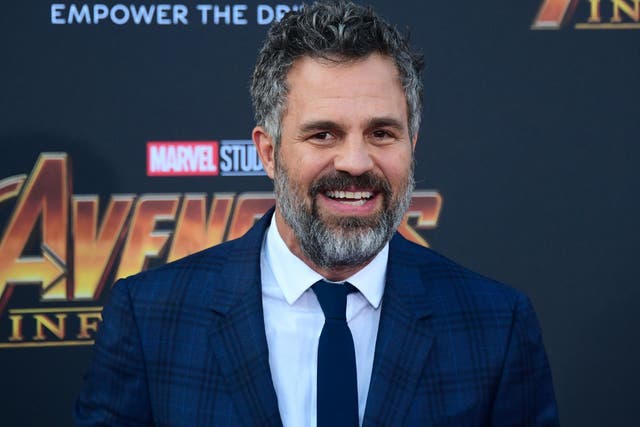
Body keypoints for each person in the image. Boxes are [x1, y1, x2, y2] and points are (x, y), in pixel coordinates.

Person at [75, 1, 559, 426]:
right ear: (268, 152)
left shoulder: (495, 324)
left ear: (411, 145)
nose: (355, 161)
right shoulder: (152, 317)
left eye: (381, 133)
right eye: (323, 134)